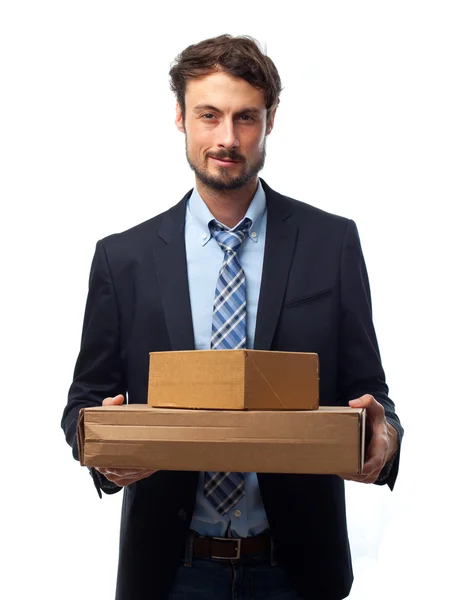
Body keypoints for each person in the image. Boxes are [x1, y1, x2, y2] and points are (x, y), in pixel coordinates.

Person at [61, 34, 403, 600]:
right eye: (209, 115)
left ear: (271, 121)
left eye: (246, 118)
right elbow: (83, 403)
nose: (227, 138)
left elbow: (372, 395)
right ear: (180, 117)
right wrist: (100, 448)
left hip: (295, 569)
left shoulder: (331, 244)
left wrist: (383, 438)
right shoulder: (124, 258)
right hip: (171, 570)